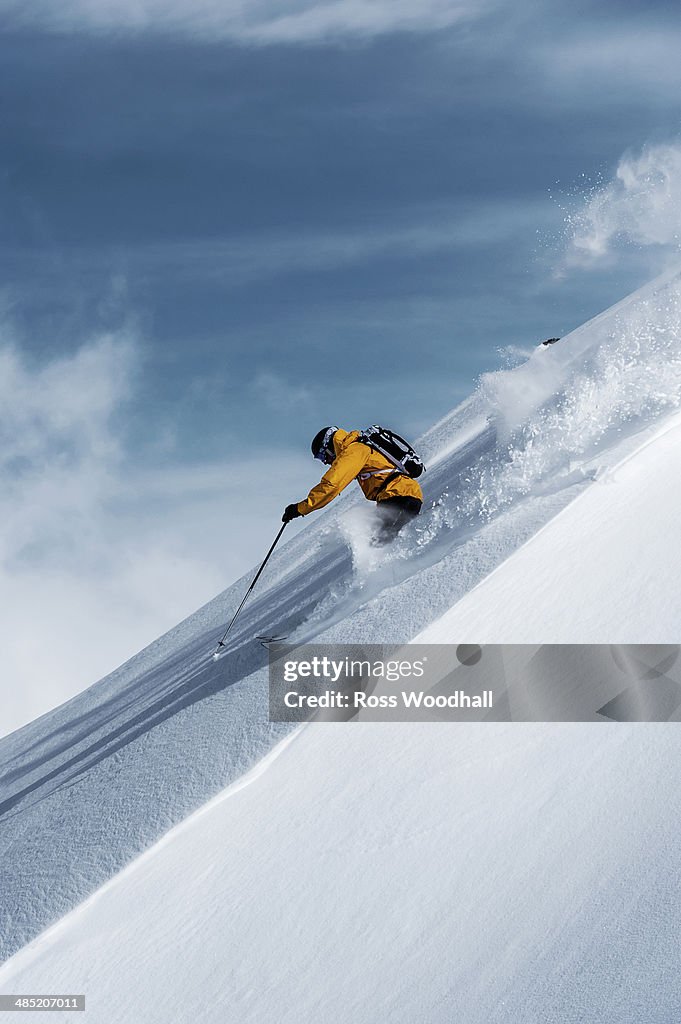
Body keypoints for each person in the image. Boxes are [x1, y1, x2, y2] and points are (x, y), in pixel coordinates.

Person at [283, 426, 423, 544]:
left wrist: (300, 508)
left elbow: (332, 485)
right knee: (392, 540)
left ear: (330, 447)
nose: (325, 461)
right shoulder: (360, 447)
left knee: (380, 544)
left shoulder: (354, 450)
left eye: (323, 455)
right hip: (406, 495)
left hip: (396, 497)